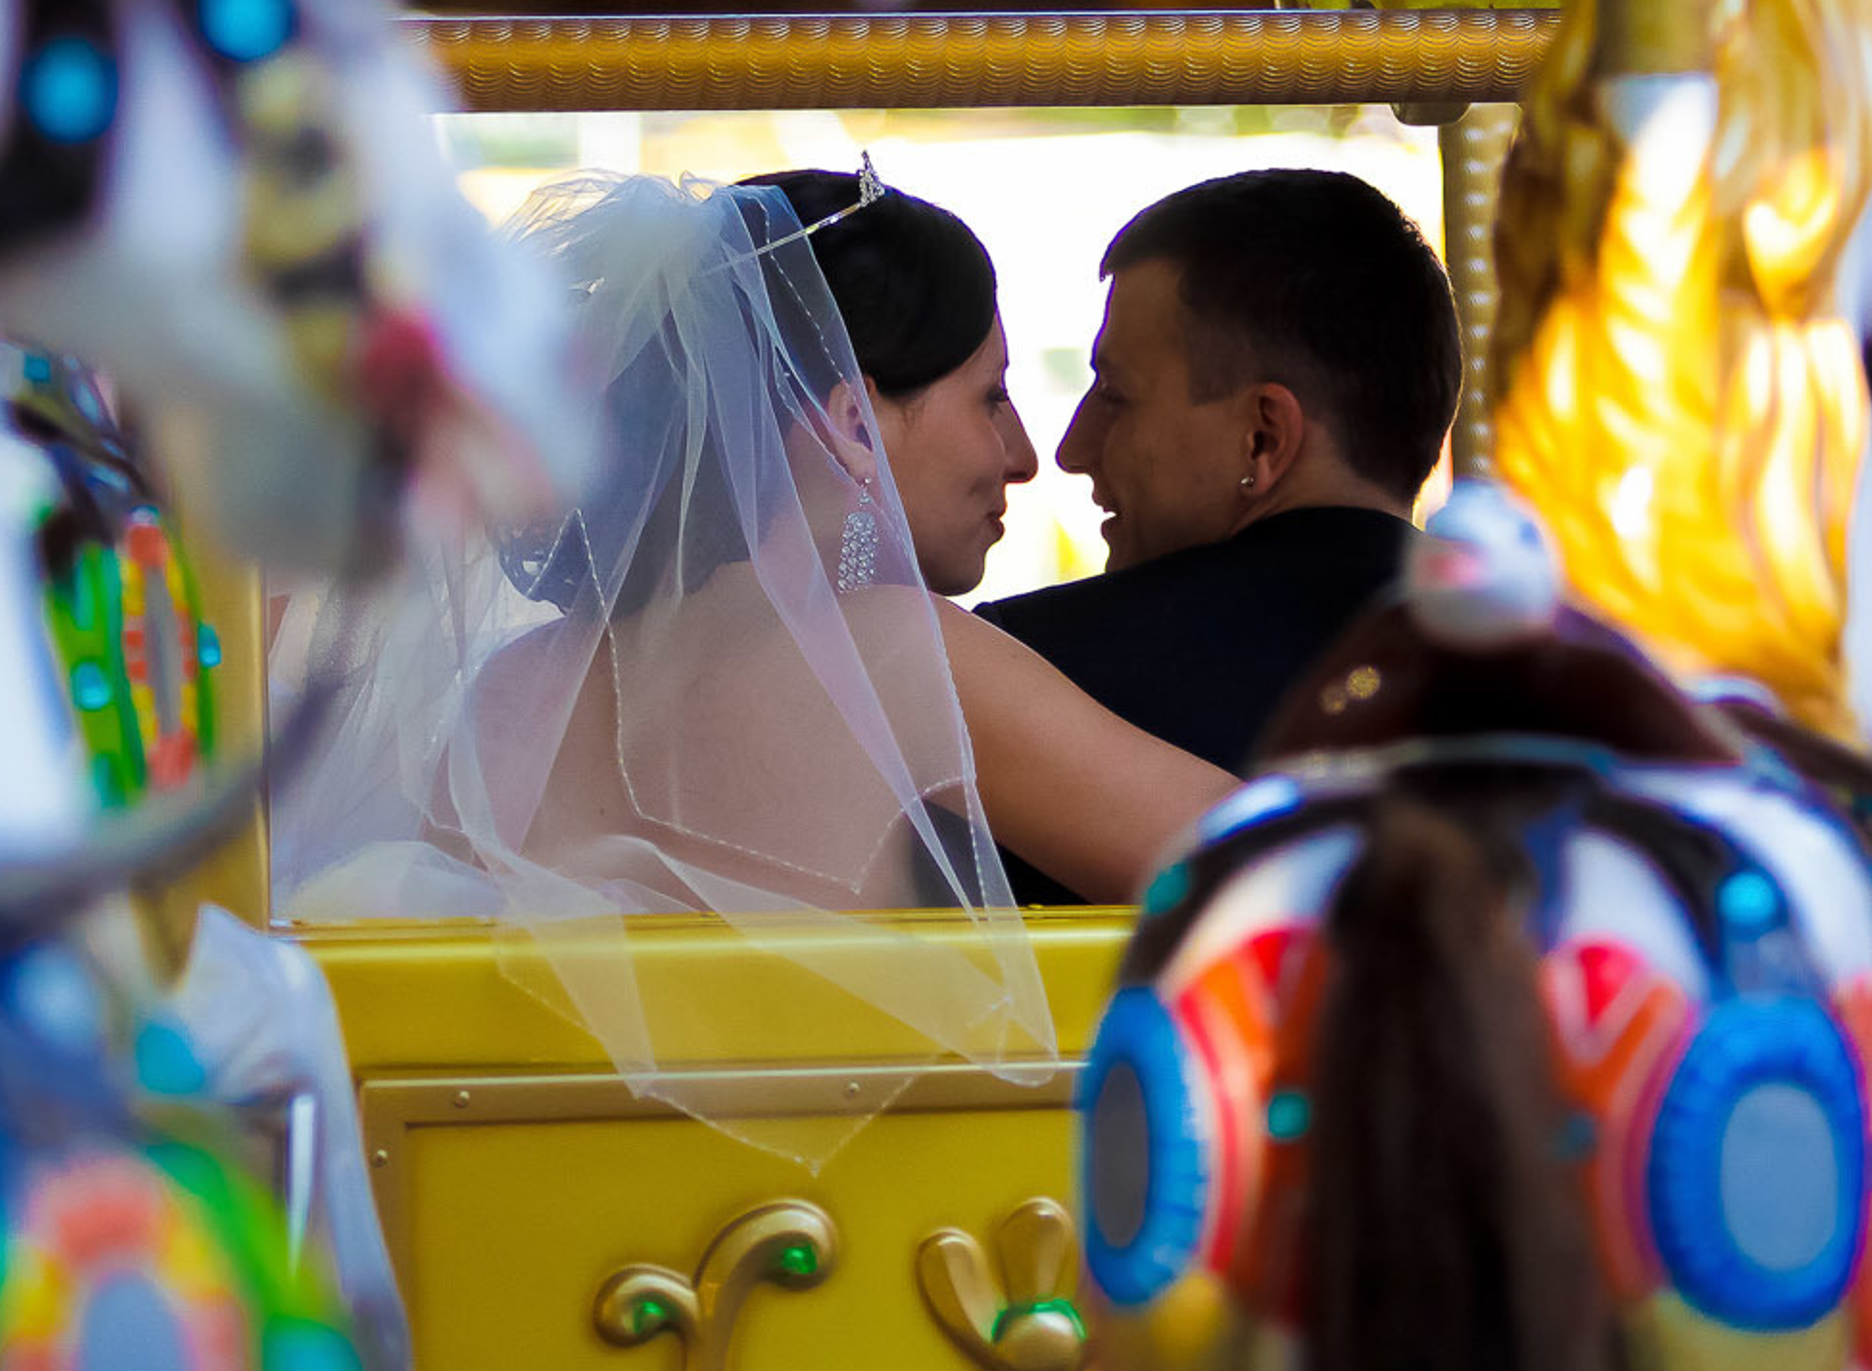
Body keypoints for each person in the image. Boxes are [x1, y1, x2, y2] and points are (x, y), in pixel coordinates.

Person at [273, 169, 1232, 1043]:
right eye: (992, 397)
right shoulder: (894, 653)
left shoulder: (512, 693)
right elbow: (1263, 865)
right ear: (856, 426)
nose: (1022, 454)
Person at [979, 169, 1460, 815]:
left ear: (1262, 439)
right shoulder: (1572, 687)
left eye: (1115, 397)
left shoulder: (1023, 673)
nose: (1071, 450)